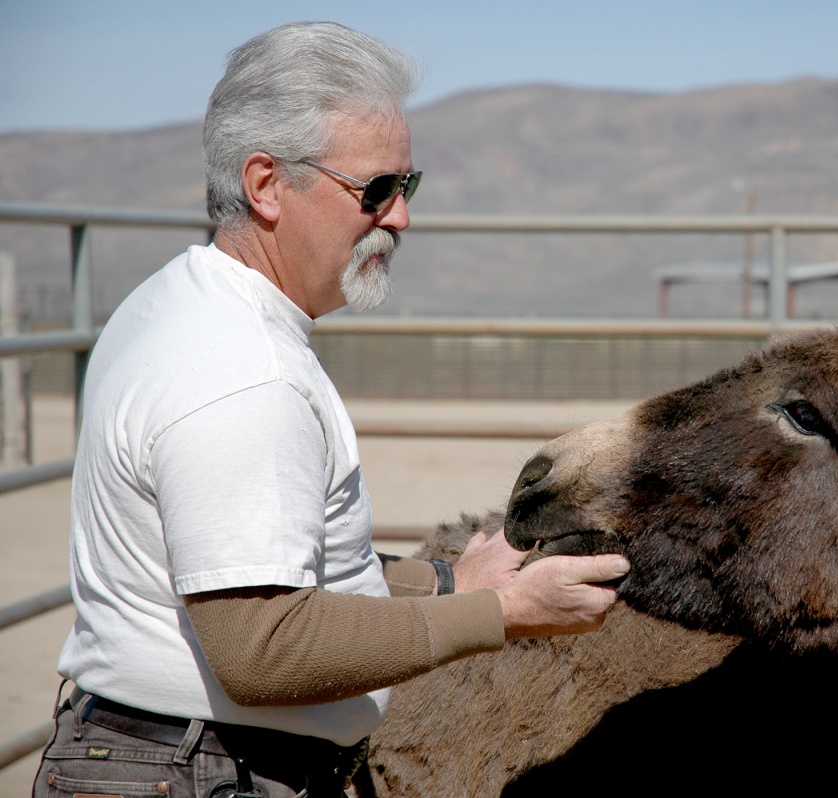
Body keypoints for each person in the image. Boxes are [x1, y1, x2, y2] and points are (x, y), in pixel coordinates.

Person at [33, 21, 629, 798]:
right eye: (374, 190)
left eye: (406, 188)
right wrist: (505, 612)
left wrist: (450, 581)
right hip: (201, 774)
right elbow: (265, 647)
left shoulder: (179, 304)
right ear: (266, 184)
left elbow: (271, 573)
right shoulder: (245, 373)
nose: (401, 218)